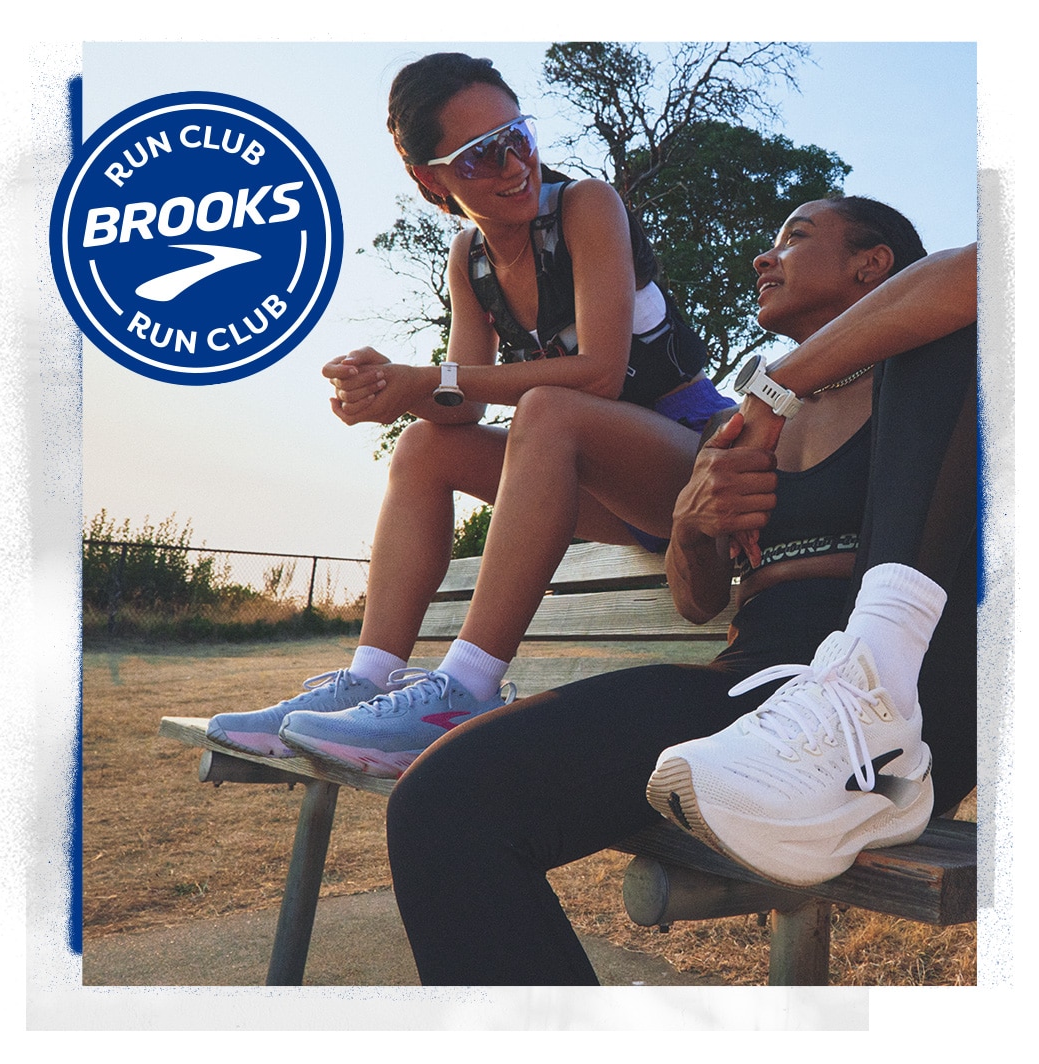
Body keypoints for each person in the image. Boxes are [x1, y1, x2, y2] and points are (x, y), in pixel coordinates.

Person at [385, 196, 977, 984]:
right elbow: (699, 599)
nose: (765, 258)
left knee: (944, 328)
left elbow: (982, 273)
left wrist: (770, 390)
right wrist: (694, 527)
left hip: (897, 718)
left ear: (871, 264)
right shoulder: (739, 428)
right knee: (444, 802)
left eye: (794, 239)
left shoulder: (936, 377)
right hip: (755, 695)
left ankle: (868, 720)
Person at [206, 52, 733, 775]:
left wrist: (433, 376)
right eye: (482, 154)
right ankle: (368, 676)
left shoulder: (586, 207)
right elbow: (463, 404)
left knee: (550, 408)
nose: (515, 163)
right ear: (432, 179)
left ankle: (466, 690)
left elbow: (603, 373)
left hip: (694, 467)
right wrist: (395, 390)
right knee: (424, 447)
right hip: (613, 493)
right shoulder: (471, 259)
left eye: (519, 135)